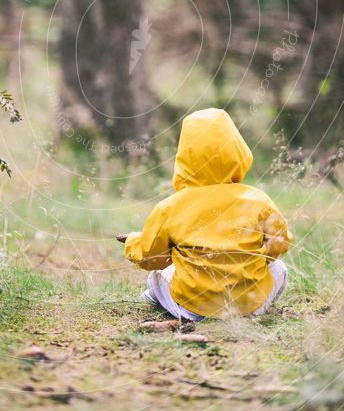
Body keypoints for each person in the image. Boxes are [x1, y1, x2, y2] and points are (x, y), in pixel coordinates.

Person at [117, 108, 292, 320]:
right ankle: (252, 311)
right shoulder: (258, 200)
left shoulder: (170, 207)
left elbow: (151, 258)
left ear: (185, 155)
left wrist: (133, 241)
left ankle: (154, 296)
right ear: (238, 150)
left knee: (158, 274)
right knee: (279, 268)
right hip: (249, 306)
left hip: (193, 310)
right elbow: (280, 242)